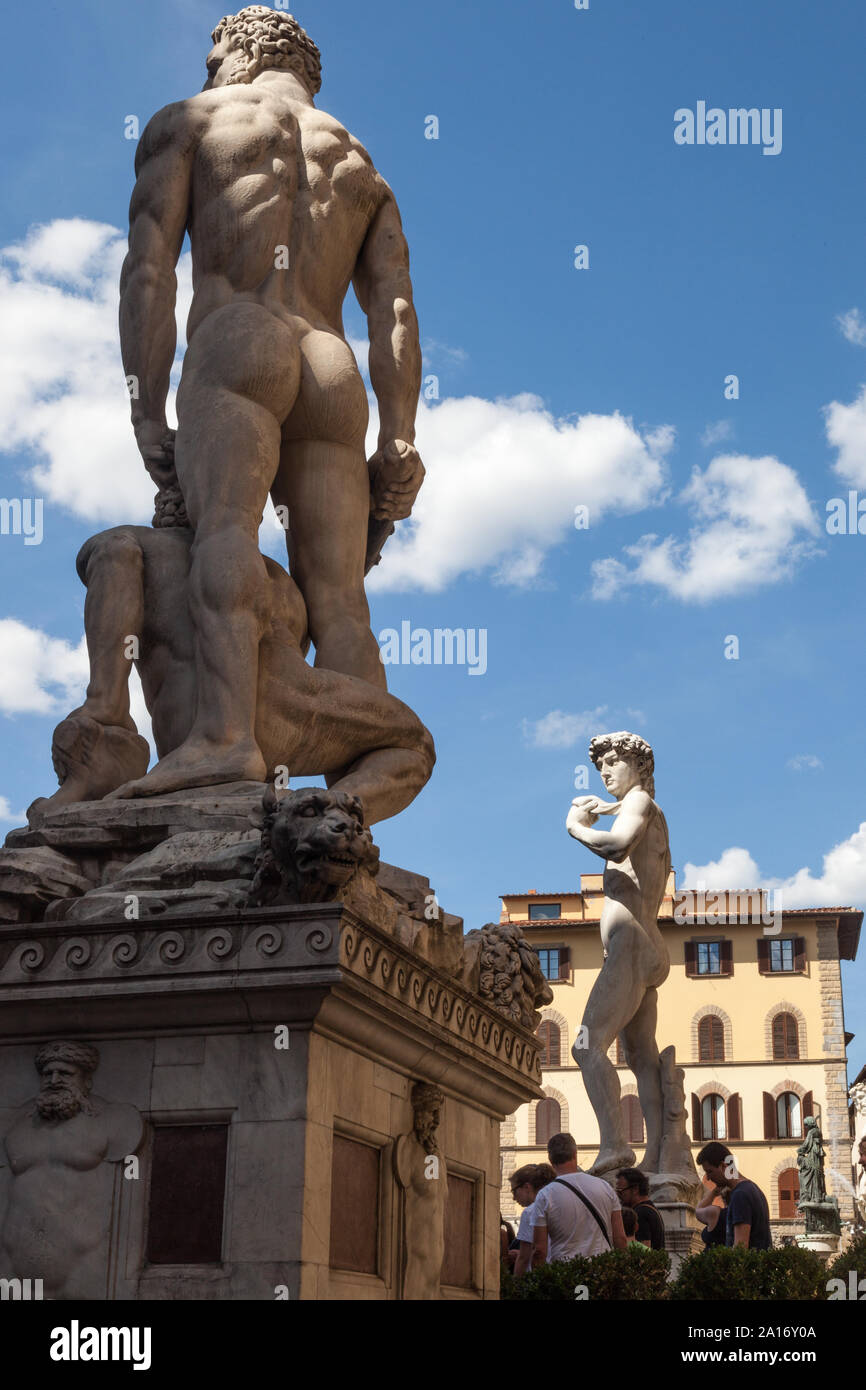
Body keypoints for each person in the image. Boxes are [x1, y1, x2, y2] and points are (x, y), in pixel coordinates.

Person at [117, 5, 426, 796]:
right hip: (332, 366)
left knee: (224, 530)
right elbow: (392, 307)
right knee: (341, 600)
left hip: (240, 338)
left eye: (214, 51)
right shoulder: (357, 160)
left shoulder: (192, 121)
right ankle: (355, 793)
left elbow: (150, 271)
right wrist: (399, 436)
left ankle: (224, 741)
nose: (209, 67)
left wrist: (145, 405)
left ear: (245, 51)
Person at [566, 733, 671, 1174]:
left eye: (612, 762)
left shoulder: (639, 803)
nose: (605, 771)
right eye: (600, 766)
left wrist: (576, 827)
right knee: (642, 1059)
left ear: (638, 766)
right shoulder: (645, 808)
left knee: (585, 1047)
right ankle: (658, 1156)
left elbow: (617, 845)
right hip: (646, 947)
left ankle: (614, 1146)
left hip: (630, 943)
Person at [531, 1133, 627, 1264]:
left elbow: (540, 1250)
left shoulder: (545, 1195)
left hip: (565, 1272)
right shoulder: (605, 1187)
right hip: (602, 1270)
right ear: (575, 1154)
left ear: (550, 1158)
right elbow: (620, 1238)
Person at [697, 1142, 771, 1249]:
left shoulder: (740, 1195)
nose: (708, 1178)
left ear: (723, 1166)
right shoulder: (753, 1189)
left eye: (710, 1171)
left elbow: (740, 1248)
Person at [510, 1163, 555, 1277]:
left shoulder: (529, 1212)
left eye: (514, 1191)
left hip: (541, 1277)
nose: (514, 1198)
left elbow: (524, 1258)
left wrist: (516, 1288)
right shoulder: (554, 1204)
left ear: (527, 1187)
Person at [614, 1167, 666, 1250]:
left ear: (635, 1189)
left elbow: (643, 1249)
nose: (618, 1196)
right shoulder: (649, 1209)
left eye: (620, 1191)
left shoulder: (640, 1213)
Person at [695, 1178, 729, 1250]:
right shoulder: (740, 1214)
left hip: (713, 1257)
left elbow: (698, 1210)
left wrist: (713, 1193)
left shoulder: (715, 1212)